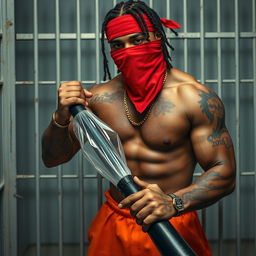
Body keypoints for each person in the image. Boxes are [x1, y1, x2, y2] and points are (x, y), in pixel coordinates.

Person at [42, 1, 236, 255]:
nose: (128, 50)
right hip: (116, 220)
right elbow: (53, 158)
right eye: (117, 45)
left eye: (138, 40)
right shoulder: (99, 99)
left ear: (158, 36)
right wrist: (60, 116)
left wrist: (174, 202)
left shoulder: (193, 98)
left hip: (171, 221)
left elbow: (225, 172)